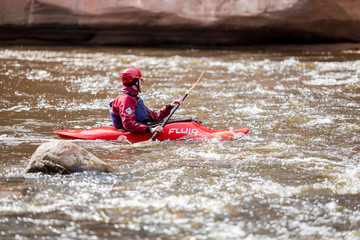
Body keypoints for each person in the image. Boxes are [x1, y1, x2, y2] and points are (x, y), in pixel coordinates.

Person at [109, 68, 183, 133]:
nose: (141, 83)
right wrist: (150, 130)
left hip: (141, 129)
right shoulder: (125, 100)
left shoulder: (133, 98)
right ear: (135, 82)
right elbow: (128, 124)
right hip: (129, 132)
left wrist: (169, 107)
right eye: (140, 80)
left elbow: (154, 117)